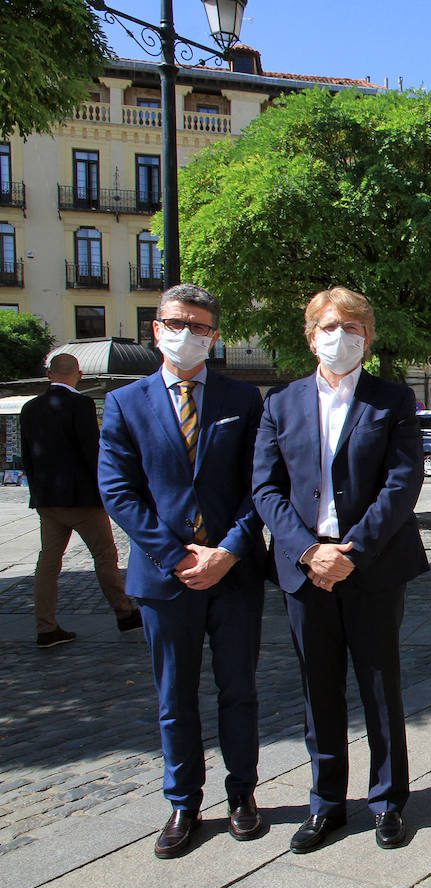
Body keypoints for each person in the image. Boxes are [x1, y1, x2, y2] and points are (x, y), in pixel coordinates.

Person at [253, 286, 426, 854]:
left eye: (354, 327)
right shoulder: (280, 403)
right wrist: (308, 551)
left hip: (369, 564)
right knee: (317, 688)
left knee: (380, 686)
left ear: (368, 338)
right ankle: (326, 803)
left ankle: (387, 801)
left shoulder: (392, 400)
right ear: (311, 335)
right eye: (330, 326)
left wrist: (351, 552)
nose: (342, 336)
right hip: (305, 567)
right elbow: (266, 488)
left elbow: (402, 484)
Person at [98, 284, 268, 858]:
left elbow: (260, 487)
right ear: (156, 328)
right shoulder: (125, 403)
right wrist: (175, 555)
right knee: (175, 695)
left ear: (214, 335)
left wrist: (228, 550)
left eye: (200, 326)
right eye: (177, 323)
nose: (187, 334)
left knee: (239, 690)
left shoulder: (243, 401)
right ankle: (183, 802)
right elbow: (118, 490)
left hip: (234, 574)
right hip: (163, 577)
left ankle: (242, 793)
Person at [21, 353, 141, 647]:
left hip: (48, 500)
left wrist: (38, 492)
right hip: (83, 499)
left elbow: (27, 456)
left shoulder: (30, 408)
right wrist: (106, 490)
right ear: (80, 374)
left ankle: (45, 626)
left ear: (48, 374)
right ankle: (125, 613)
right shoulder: (81, 404)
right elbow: (92, 451)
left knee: (48, 563)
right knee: (104, 556)